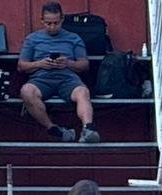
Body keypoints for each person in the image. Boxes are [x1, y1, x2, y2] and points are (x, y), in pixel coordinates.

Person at [17, 2, 100, 143]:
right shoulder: (32, 39)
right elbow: (21, 65)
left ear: (62, 20)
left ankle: (88, 129)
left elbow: (85, 65)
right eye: (48, 23)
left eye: (56, 23)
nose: (52, 27)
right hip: (41, 78)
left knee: (83, 92)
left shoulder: (74, 38)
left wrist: (68, 63)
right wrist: (40, 64)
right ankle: (53, 129)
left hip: (68, 78)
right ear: (42, 21)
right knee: (26, 91)